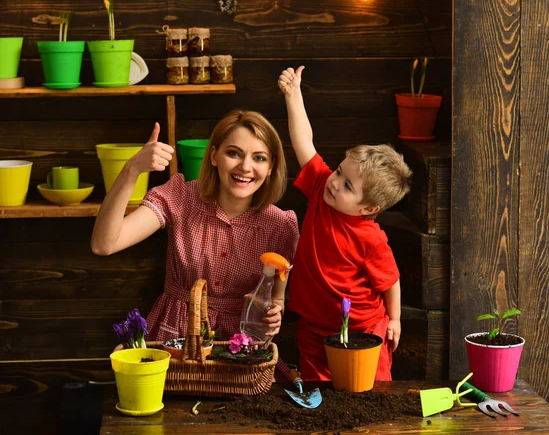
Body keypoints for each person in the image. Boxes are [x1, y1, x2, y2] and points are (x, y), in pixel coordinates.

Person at [91, 110, 299, 364]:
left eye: (259, 158)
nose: (245, 167)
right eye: (233, 153)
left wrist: (274, 316)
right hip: (175, 343)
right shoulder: (181, 197)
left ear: (270, 168)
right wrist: (131, 170)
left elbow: (276, 297)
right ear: (213, 156)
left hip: (241, 350)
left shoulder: (280, 225)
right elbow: (104, 244)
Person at [278, 66, 412, 381]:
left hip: (363, 331)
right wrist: (293, 94)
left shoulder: (370, 238)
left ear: (369, 207)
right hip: (314, 326)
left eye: (348, 186)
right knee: (317, 391)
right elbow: (303, 143)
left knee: (370, 391)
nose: (335, 183)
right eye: (339, 171)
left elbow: (390, 281)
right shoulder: (320, 186)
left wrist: (394, 320)